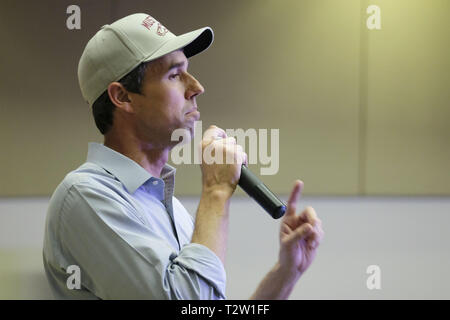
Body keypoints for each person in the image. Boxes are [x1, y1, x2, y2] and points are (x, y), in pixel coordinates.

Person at [43, 12, 324, 300]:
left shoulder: (172, 210)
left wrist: (285, 274)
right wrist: (215, 191)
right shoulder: (84, 197)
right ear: (123, 97)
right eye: (175, 74)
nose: (197, 87)